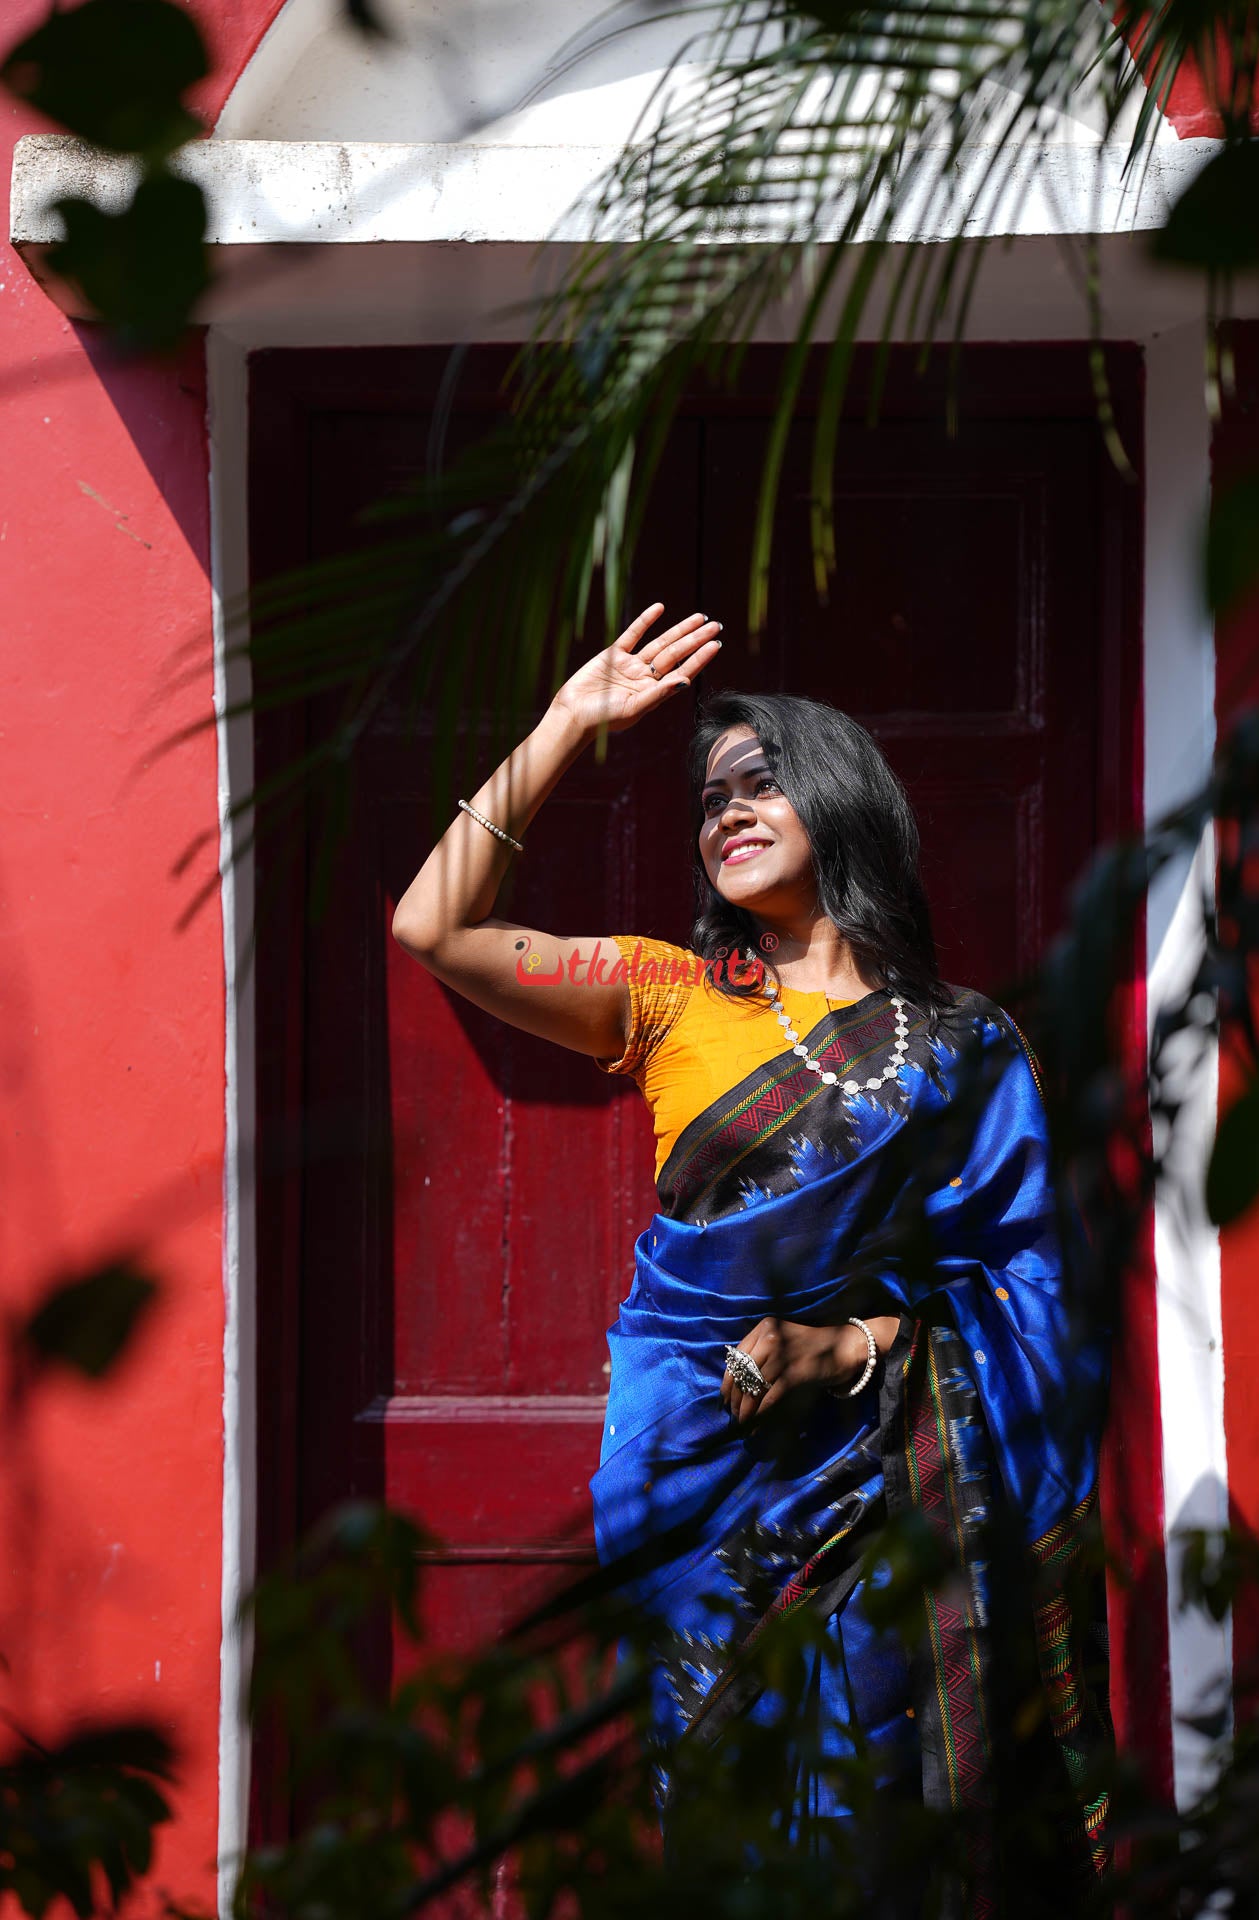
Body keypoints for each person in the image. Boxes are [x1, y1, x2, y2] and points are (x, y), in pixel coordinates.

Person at [391, 603, 1112, 1914]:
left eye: (759, 781)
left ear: (839, 801)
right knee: (729, 1808)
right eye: (706, 796)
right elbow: (433, 927)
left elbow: (1033, 1301)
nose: (724, 809)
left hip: (890, 1482)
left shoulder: (966, 1045)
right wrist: (564, 727)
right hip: (699, 1470)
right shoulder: (673, 996)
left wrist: (856, 1348)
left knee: (891, 1808)